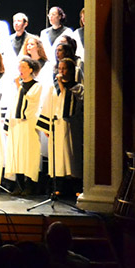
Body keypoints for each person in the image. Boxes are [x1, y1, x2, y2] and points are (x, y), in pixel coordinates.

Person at [38, 58, 84, 197]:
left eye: (64, 69)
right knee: (57, 158)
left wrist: (62, 86)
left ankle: (76, 187)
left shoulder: (77, 88)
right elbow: (48, 105)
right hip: (56, 126)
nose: (61, 72)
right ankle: (57, 187)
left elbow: (71, 104)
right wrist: (46, 126)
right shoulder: (53, 88)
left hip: (71, 127)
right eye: (59, 69)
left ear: (70, 71)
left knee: (71, 156)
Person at [4, 58, 45, 196]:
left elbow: (30, 101)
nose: (20, 70)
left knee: (29, 154)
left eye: (23, 67)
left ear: (31, 69)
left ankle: (29, 185)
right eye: (19, 67)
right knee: (17, 154)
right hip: (17, 124)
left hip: (28, 124)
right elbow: (13, 105)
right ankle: (19, 185)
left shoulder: (36, 86)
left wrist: (19, 87)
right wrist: (8, 125)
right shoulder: (19, 86)